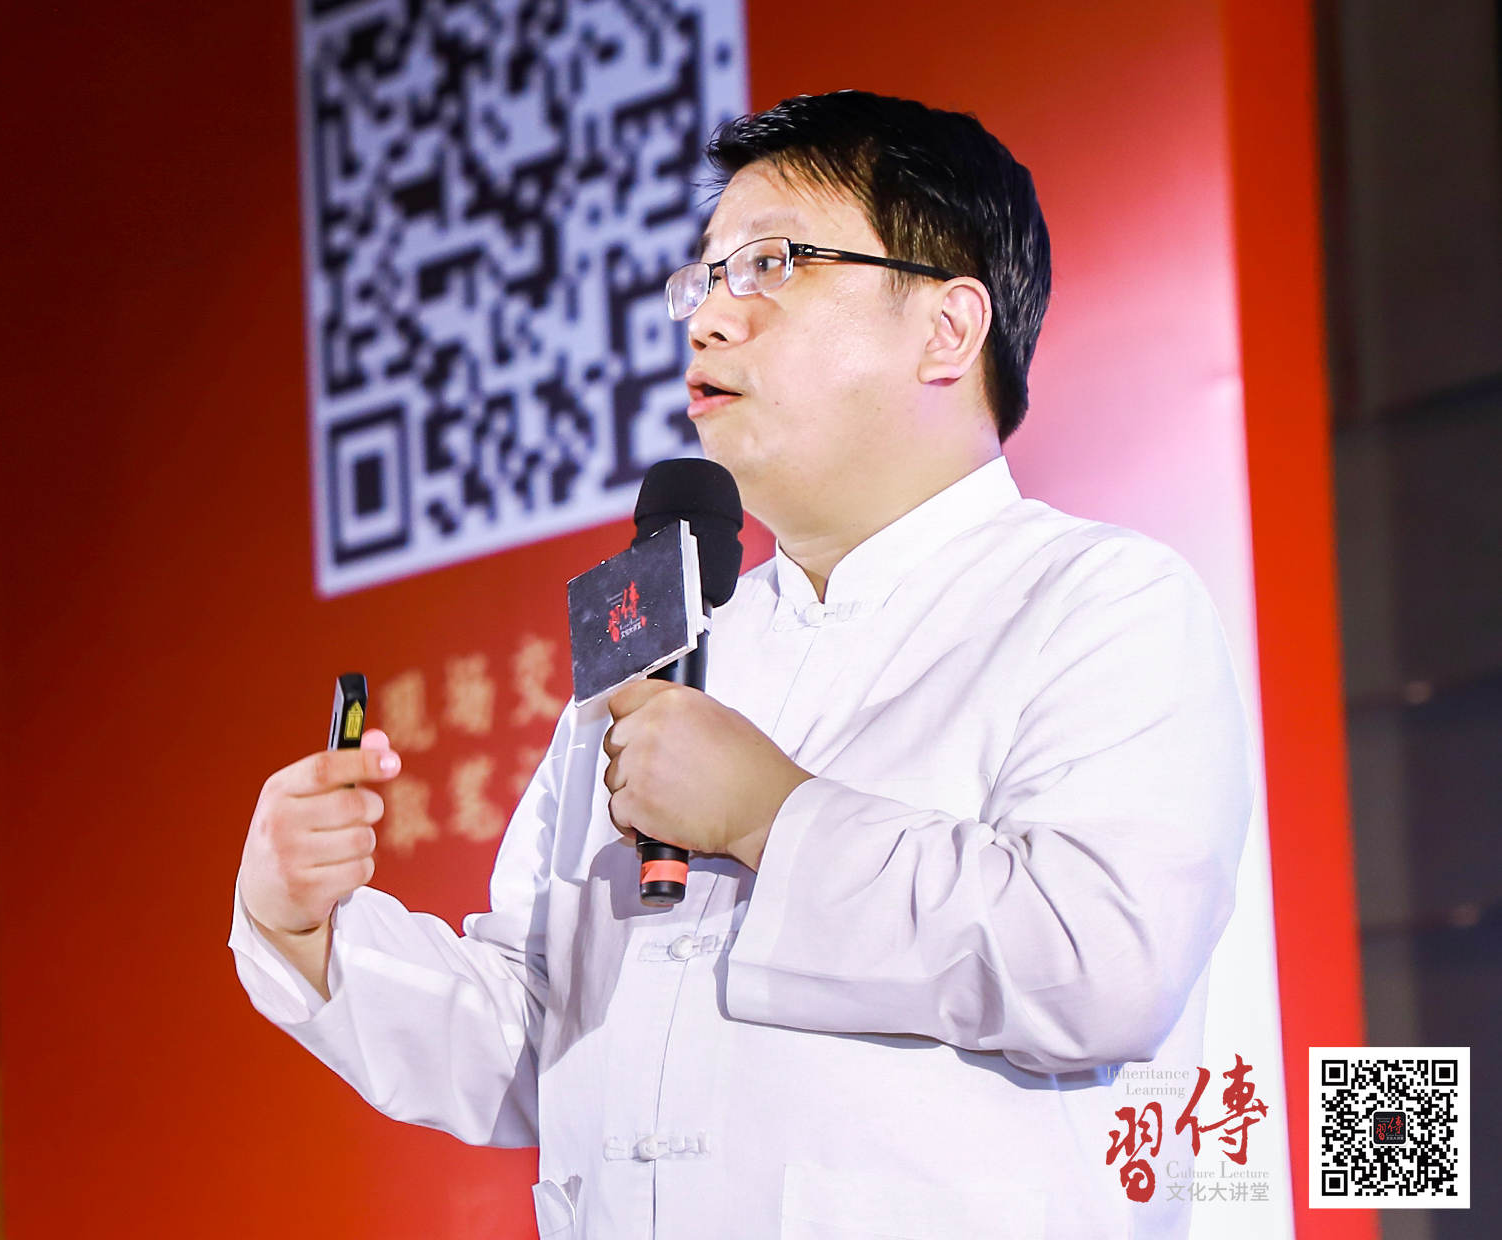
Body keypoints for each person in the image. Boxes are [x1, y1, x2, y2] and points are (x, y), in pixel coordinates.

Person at [231, 91, 1248, 1240]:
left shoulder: (1102, 599)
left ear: (947, 329)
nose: (709, 320)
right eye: (705, 278)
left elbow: (1102, 959)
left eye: (771, 265)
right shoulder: (665, 644)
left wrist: (774, 816)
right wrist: (308, 930)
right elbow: (542, 1028)